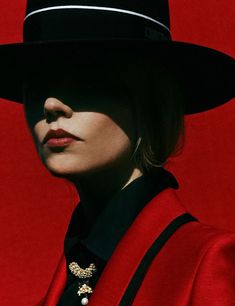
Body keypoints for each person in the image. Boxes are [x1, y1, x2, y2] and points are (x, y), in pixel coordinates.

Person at [0, 1, 235, 305]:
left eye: (86, 79)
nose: (51, 104)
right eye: (35, 86)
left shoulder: (207, 264)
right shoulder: (74, 273)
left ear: (149, 99)